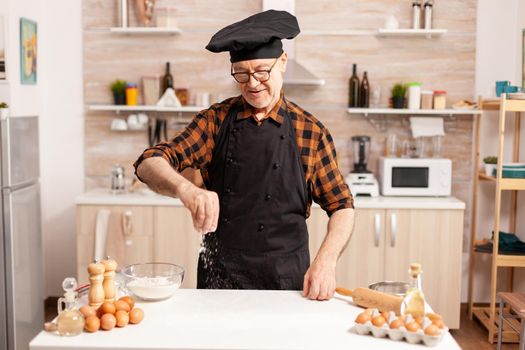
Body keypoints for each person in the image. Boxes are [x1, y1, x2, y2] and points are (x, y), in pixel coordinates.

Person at [133, 10, 355, 300]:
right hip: (220, 281)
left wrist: (326, 261)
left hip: (287, 282)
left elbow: (342, 206)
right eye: (242, 73)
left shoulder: (310, 132)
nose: (252, 83)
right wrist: (186, 190)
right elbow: (148, 162)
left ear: (283, 62)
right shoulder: (214, 121)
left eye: (262, 71)